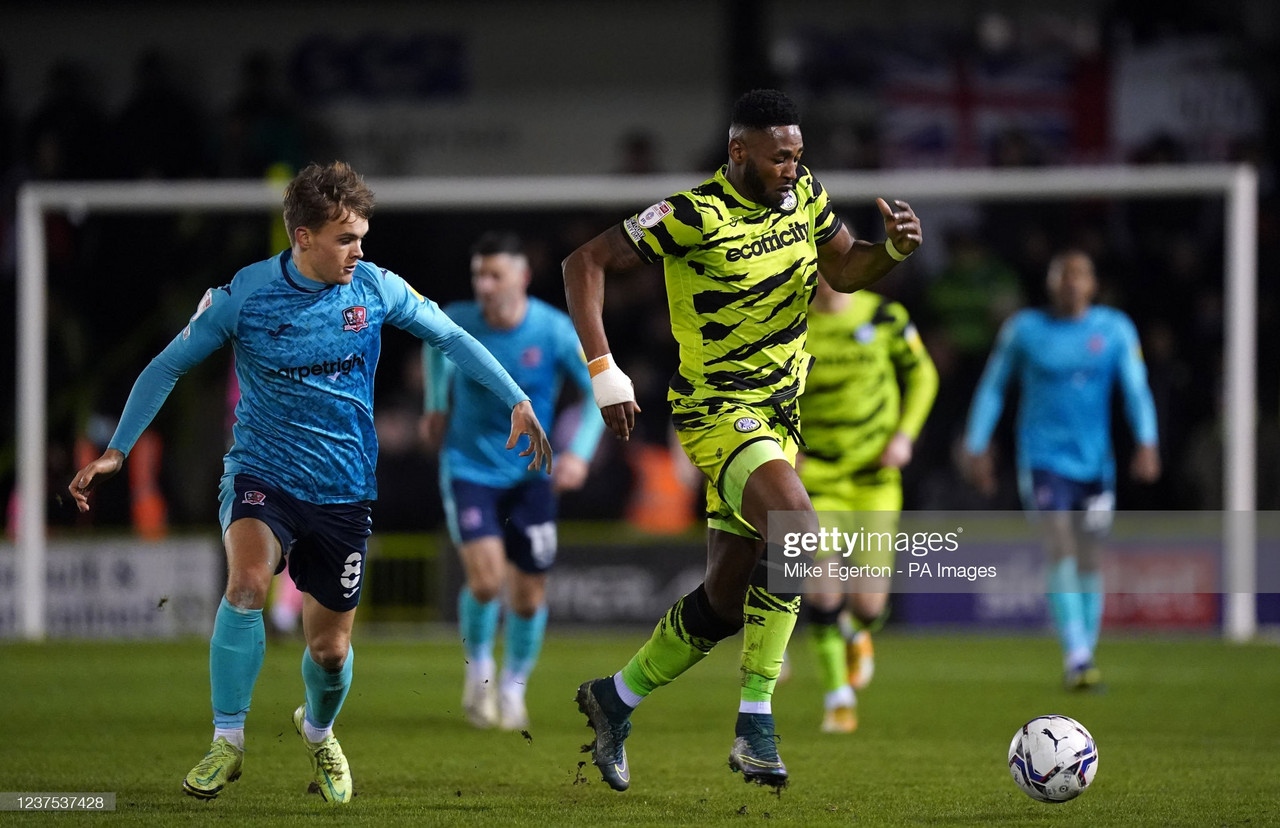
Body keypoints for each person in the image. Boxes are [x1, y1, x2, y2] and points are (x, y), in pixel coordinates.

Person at [67, 161, 552, 804]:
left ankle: (319, 730)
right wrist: (117, 452)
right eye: (346, 238)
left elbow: (453, 338)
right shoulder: (243, 295)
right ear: (302, 237)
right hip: (262, 475)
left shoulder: (376, 289)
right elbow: (166, 365)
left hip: (345, 489)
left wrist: (516, 396)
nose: (360, 251)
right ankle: (226, 742)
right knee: (245, 584)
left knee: (328, 651)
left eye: (362, 237)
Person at [562, 88, 922, 790]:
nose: (792, 167)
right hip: (718, 411)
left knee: (723, 604)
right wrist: (604, 372)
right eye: (779, 156)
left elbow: (846, 268)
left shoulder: (806, 197)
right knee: (798, 531)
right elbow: (584, 263)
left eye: (798, 155)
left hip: (780, 417)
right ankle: (756, 723)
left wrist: (894, 253)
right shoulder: (692, 213)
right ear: (739, 152)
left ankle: (614, 698)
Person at [421, 230, 604, 731]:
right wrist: (436, 404)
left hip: (532, 475)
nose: (483, 284)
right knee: (485, 581)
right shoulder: (458, 320)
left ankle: (513, 687)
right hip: (469, 467)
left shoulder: (552, 329)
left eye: (494, 273)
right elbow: (434, 349)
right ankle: (479, 673)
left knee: (528, 596)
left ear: (521, 277)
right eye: (478, 273)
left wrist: (579, 455)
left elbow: (595, 391)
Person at [962, 248, 1160, 691]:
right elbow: (993, 387)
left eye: (1081, 274)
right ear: (1050, 282)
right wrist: (977, 444)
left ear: (1093, 284)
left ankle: (1084, 653)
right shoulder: (1025, 330)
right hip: (1042, 460)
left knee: (1090, 558)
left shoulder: (1114, 329)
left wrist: (1147, 440)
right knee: (1061, 547)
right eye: (1063, 274)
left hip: (1095, 464)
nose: (1072, 282)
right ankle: (1075, 655)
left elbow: (1136, 390)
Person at [796, 274, 938, 734]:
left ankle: (858, 633)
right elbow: (768, 391)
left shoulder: (884, 316)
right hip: (816, 477)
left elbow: (924, 374)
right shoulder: (791, 325)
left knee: (869, 606)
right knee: (821, 589)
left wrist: (905, 435)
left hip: (874, 479)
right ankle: (838, 696)